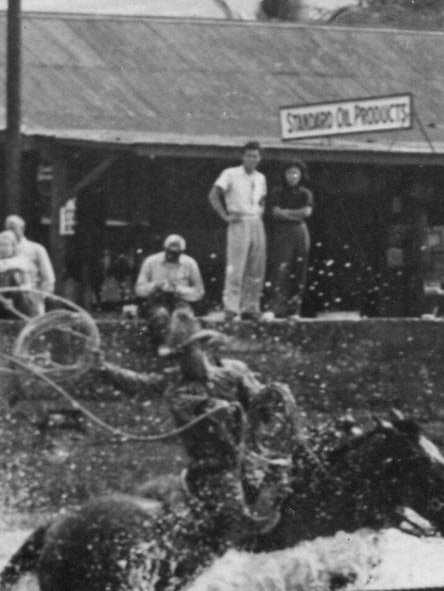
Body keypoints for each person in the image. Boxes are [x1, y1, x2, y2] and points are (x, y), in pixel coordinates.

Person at [90, 307, 297, 548]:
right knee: (237, 520)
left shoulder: (234, 372)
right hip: (212, 468)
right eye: (179, 355)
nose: (184, 360)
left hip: (251, 458)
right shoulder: (176, 385)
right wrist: (104, 368)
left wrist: (272, 401)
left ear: (204, 348)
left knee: (292, 481)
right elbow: (139, 383)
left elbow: (260, 401)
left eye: (189, 352)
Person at [207, 140, 268, 320]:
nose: (252, 159)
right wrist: (225, 216)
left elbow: (262, 199)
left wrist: (259, 214)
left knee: (256, 267)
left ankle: (250, 307)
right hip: (238, 220)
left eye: (255, 156)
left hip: (256, 221)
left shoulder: (261, 177)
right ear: (243, 156)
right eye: (248, 155)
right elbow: (213, 195)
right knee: (236, 266)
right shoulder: (230, 174)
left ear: (259, 158)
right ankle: (231, 307)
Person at [135, 233, 206, 347]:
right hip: (155, 302)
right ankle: (162, 347)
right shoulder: (151, 262)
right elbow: (139, 290)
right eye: (169, 252)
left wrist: (178, 289)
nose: (171, 256)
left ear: (182, 252)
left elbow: (199, 291)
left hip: (180, 301)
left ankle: (182, 349)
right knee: (158, 317)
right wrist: (156, 286)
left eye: (175, 253)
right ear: (164, 249)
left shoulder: (189, 263)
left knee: (184, 318)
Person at [264, 162, 315, 319]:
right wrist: (292, 214)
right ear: (284, 175)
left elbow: (306, 212)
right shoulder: (277, 192)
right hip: (282, 232)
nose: (292, 177)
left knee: (299, 269)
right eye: (289, 173)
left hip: (300, 231)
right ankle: (274, 307)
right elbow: (275, 213)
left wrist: (285, 212)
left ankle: (294, 310)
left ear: (300, 175)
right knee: (280, 268)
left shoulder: (305, 193)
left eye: (295, 173)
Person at [3, 214, 57, 313]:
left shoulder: (36, 249)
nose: (10, 231)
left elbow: (49, 279)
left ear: (22, 228)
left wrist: (39, 298)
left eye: (13, 228)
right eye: (8, 228)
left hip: (32, 297)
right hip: (7, 300)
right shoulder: (1, 250)